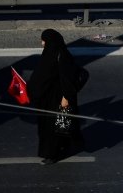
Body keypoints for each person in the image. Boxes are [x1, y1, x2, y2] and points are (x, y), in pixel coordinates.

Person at [27, 29, 85, 165]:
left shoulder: (62, 56)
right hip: (47, 98)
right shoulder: (51, 54)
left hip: (57, 98)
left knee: (52, 128)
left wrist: (66, 97)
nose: (42, 43)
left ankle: (51, 155)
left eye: (44, 40)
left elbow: (68, 78)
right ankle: (61, 148)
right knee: (54, 126)